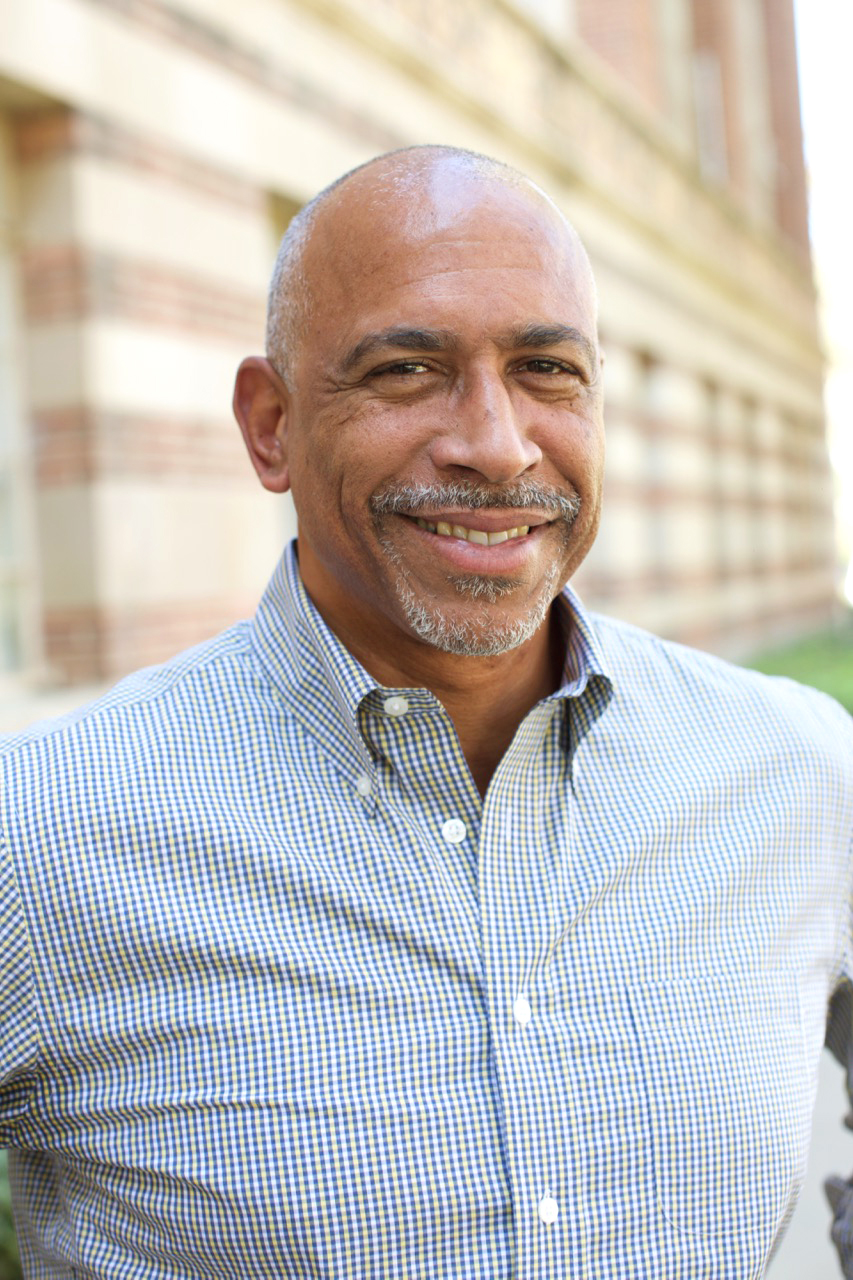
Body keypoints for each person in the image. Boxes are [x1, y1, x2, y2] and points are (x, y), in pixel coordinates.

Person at [0, 145, 850, 1279]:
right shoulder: (43, 837)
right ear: (270, 424)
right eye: (405, 369)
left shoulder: (794, 770)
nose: (497, 445)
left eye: (548, 368)